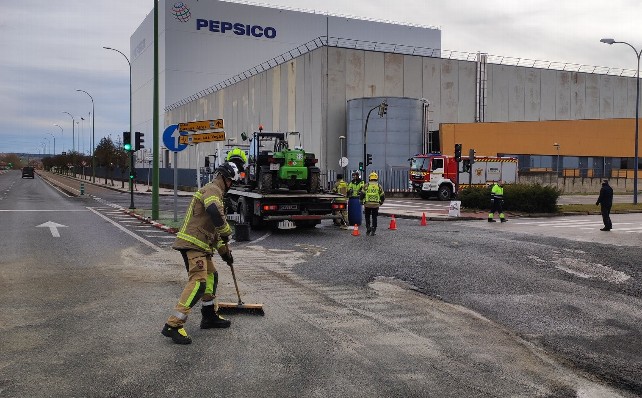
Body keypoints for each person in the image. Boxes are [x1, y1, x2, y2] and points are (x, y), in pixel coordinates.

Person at [161, 162, 240, 345]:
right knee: (198, 283)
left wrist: (225, 253)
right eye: (231, 181)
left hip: (202, 245)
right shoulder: (213, 190)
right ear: (225, 178)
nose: (231, 185)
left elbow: (215, 232)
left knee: (212, 276)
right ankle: (173, 324)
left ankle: (209, 315)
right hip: (193, 244)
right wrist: (227, 229)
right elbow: (214, 213)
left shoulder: (215, 193)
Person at [361, 171, 385, 236]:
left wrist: (361, 201)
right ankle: (373, 229)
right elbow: (382, 196)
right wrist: (381, 202)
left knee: (367, 216)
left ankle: (368, 228)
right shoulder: (379, 186)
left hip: (367, 204)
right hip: (375, 204)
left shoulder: (366, 185)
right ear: (376, 178)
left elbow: (362, 194)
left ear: (369, 178)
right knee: (374, 217)